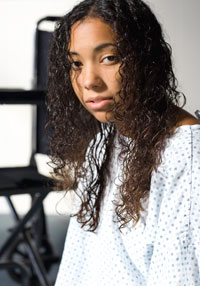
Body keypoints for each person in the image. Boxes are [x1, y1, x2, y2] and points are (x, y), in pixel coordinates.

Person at [47, 0, 200, 285]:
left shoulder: (187, 155)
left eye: (109, 58)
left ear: (146, 59)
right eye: (76, 64)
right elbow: (77, 263)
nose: (88, 80)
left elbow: (179, 278)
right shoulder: (104, 141)